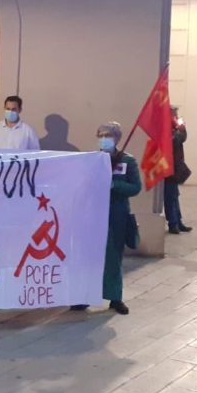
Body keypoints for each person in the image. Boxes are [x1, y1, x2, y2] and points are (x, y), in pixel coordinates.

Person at [71, 123, 141, 315]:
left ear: (117, 138)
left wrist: (114, 184)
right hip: (92, 213)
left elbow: (135, 187)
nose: (104, 139)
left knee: (113, 255)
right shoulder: (91, 159)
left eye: (108, 135)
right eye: (100, 135)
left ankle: (115, 297)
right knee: (88, 255)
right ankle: (84, 296)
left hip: (116, 213)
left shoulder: (127, 161)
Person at [164, 106, 193, 234]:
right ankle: (173, 223)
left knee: (174, 195)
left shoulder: (175, 126)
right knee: (170, 196)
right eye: (174, 112)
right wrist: (180, 131)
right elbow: (174, 141)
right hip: (168, 166)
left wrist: (181, 130)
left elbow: (182, 139)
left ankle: (178, 222)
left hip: (175, 165)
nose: (176, 115)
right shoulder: (166, 127)